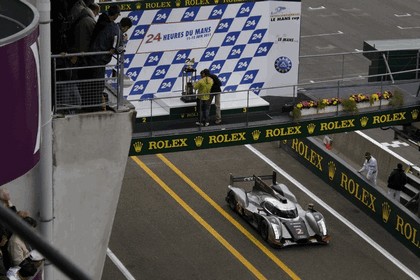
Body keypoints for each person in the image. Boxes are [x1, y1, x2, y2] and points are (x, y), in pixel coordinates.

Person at [86, 4, 121, 109]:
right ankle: (95, 107)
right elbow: (115, 45)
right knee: (97, 85)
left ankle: (93, 105)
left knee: (93, 84)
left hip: (93, 57)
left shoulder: (102, 21)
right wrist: (114, 49)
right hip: (99, 59)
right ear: (115, 15)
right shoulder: (111, 27)